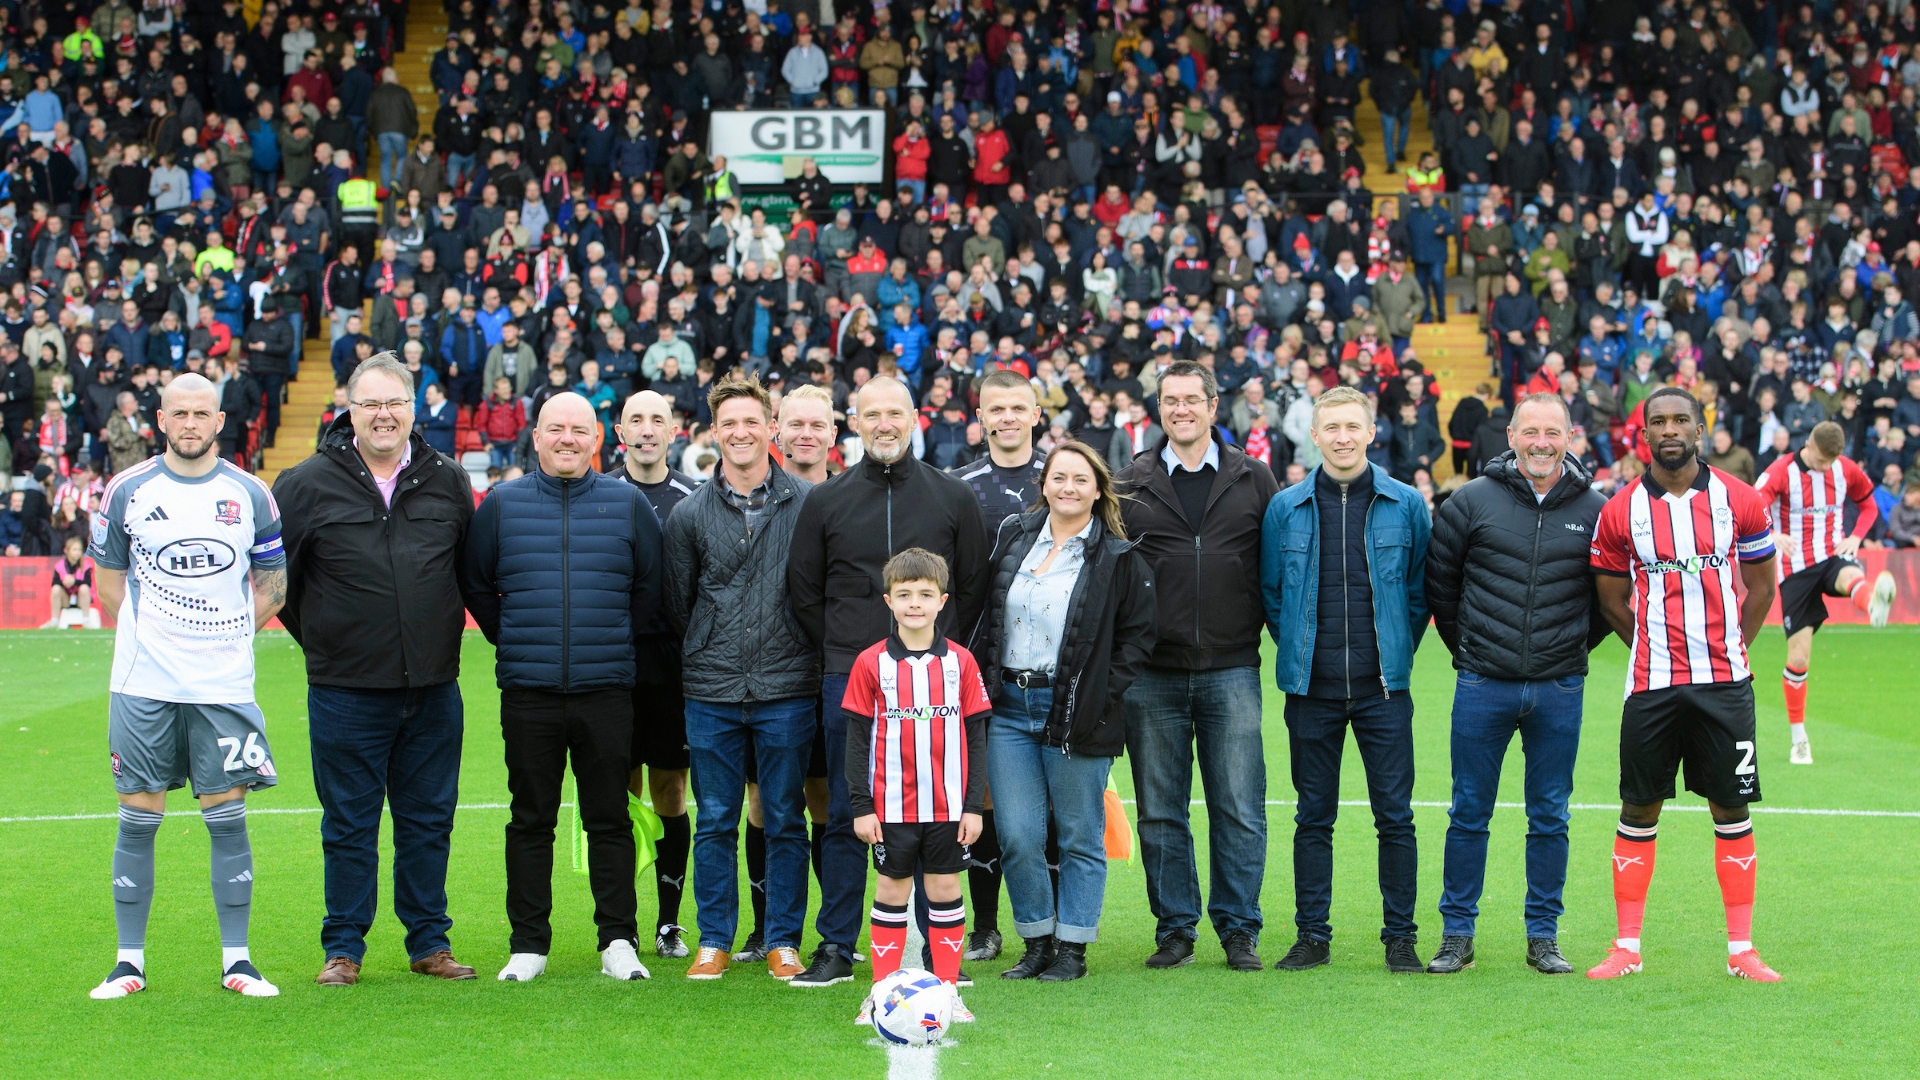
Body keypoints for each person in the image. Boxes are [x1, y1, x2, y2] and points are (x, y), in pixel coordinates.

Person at [271, 353, 479, 987]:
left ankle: (429, 943)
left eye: (395, 403)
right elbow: (283, 588)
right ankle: (344, 948)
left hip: (434, 689)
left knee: (429, 819)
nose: (384, 415)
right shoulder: (303, 484)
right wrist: (333, 644)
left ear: (413, 409)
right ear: (349, 410)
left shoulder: (447, 479)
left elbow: (465, 575)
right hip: (344, 692)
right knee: (349, 824)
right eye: (371, 404)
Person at [87, 373, 287, 1000]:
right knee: (138, 813)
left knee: (226, 815)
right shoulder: (128, 490)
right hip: (143, 681)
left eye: (203, 414)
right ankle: (128, 963)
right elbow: (108, 582)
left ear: (220, 420)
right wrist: (158, 638)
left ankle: (239, 961)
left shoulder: (251, 495)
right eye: (181, 414)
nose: (192, 424)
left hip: (223, 683)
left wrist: (224, 635)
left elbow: (273, 584)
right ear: (162, 419)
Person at [786, 375, 990, 988]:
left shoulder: (952, 496)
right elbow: (804, 592)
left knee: (935, 814)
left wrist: (933, 655)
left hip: (936, 685)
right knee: (855, 812)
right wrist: (854, 654)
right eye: (871, 413)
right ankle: (835, 944)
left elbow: (974, 588)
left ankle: (937, 949)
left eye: (893, 413)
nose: (883, 423)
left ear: (913, 417)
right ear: (855, 421)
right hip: (852, 679)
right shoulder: (825, 500)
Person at [459, 393, 664, 984]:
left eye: (579, 430)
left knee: (609, 819)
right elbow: (476, 585)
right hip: (529, 691)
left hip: (606, 691)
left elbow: (649, 591)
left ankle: (617, 940)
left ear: (597, 438)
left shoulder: (627, 504)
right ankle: (528, 944)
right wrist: (517, 639)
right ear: (538, 435)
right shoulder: (501, 504)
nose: (568, 439)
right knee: (530, 820)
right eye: (557, 429)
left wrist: (611, 642)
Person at [1587, 387, 1783, 982]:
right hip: (1651, 684)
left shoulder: (1741, 501)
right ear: (1643, 434)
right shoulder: (1620, 511)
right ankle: (1627, 947)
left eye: (1680, 420)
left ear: (1701, 428)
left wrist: (1730, 649)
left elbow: (1763, 588)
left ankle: (1741, 950)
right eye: (1658, 422)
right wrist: (1654, 648)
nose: (1669, 429)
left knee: (1731, 807)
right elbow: (1612, 601)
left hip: (1726, 685)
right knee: (1638, 807)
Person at [1421, 393, 1608, 977]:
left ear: (1570, 437)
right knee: (1468, 812)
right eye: (1531, 432)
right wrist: (1473, 652)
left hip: (1559, 689)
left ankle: (1543, 935)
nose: (1541, 443)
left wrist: (1567, 650)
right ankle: (1457, 934)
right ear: (1511, 435)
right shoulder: (1470, 501)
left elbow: (1604, 604)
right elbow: (1441, 590)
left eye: (1553, 432)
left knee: (1550, 816)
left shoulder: (1597, 509)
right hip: (1483, 685)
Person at [1258, 385, 1432, 975]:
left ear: (1371, 431)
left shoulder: (1406, 503)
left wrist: (1394, 652)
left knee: (1396, 817)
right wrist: (1306, 654)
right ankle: (1312, 936)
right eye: (1331, 428)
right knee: (1313, 816)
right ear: (1314, 435)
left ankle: (1400, 938)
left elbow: (1417, 594)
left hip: (1384, 690)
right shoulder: (1285, 507)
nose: (1342, 437)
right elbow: (1274, 596)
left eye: (1352, 427)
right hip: (1311, 690)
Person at [1114, 360, 1280, 971]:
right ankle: (1176, 929)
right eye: (1169, 401)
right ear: (1159, 410)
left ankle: (1239, 929)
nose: (1180, 410)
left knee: (1238, 804)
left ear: (1215, 406)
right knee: (1160, 808)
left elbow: (1275, 567)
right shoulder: (1130, 483)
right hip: (1151, 675)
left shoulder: (1253, 478)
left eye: (1192, 399)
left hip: (1232, 669)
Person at [972, 441, 1157, 981]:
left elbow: (1138, 638)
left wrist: (1102, 694)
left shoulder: (1119, 557)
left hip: (1076, 710)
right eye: (1059, 478)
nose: (1068, 488)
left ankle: (1073, 948)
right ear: (1045, 484)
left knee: (1078, 834)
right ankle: (1037, 940)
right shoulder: (1014, 538)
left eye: (1081, 479)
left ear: (1098, 490)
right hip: (1008, 707)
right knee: (1018, 835)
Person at [661, 378, 821, 982]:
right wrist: (711, 647)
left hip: (786, 685)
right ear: (714, 432)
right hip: (711, 688)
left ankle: (782, 939)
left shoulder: (807, 502)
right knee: (717, 819)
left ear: (771, 427)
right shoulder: (689, 514)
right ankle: (715, 939)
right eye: (729, 423)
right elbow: (680, 602)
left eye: (751, 421)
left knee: (783, 816)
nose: (741, 432)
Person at [846, 548, 990, 1024]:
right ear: (888, 600)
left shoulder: (962, 663)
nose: (914, 603)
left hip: (949, 806)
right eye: (904, 594)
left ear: (942, 600)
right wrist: (862, 805)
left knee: (946, 886)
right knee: (891, 890)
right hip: (890, 807)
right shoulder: (870, 663)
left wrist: (974, 806)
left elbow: (976, 736)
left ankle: (948, 990)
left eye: (925, 595)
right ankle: (881, 992)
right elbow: (856, 740)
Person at [946, 368, 1049, 960]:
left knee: (1055, 799)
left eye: (1018, 407)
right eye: (996, 409)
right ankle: (986, 924)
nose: (1007, 418)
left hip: (1055, 668)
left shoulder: (1066, 478)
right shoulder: (958, 487)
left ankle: (1057, 923)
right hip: (981, 667)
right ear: (980, 418)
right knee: (980, 796)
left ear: (1037, 413)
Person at [736, 383, 840, 963]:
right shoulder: (758, 496)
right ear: (777, 430)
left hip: (828, 677)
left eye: (816, 424)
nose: (805, 434)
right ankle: (765, 928)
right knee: (763, 801)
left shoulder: (850, 496)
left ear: (832, 432)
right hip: (766, 677)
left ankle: (830, 931)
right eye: (794, 423)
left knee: (824, 799)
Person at [1752, 420, 1899, 764]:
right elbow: (1752, 506)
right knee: (1799, 659)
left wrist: (1857, 536)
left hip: (1832, 553)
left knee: (1850, 574)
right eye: (1821, 461)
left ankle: (1873, 602)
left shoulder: (1844, 468)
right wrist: (1771, 534)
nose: (1825, 468)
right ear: (1809, 446)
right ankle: (1799, 738)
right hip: (1796, 569)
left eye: (1831, 462)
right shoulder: (1780, 471)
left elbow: (1869, 505)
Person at [613, 390, 699, 959]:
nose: (647, 430)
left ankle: (669, 923)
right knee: (618, 799)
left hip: (675, 670)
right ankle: (621, 923)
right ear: (619, 432)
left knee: (670, 793)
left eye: (657, 420)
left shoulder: (695, 500)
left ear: (675, 432)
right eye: (636, 420)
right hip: (611, 666)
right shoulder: (596, 494)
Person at [42, 534, 97, 628]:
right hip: (66, 598)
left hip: (81, 599)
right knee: (56, 589)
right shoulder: (59, 566)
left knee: (84, 588)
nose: (77, 553)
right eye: (74, 550)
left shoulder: (86, 566)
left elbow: (87, 583)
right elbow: (54, 583)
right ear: (66, 551)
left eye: (79, 550)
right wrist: (64, 582)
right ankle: (54, 621)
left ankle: (86, 620)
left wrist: (74, 581)